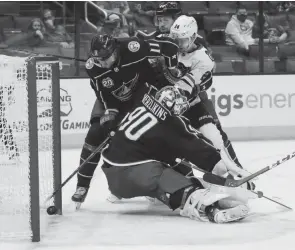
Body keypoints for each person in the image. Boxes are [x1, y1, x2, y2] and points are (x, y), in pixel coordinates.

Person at [101, 85, 256, 223]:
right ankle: (211, 211)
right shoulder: (170, 123)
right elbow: (197, 147)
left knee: (174, 176)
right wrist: (225, 167)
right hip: (134, 172)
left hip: (113, 175)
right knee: (178, 184)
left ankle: (216, 200)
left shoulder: (143, 103)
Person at [71, 34, 179, 208]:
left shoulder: (133, 47)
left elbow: (168, 46)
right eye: (98, 59)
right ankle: (82, 186)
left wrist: (173, 70)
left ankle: (169, 179)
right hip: (114, 101)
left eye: (105, 58)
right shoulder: (93, 67)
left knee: (152, 133)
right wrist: (111, 116)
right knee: (96, 133)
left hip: (144, 96)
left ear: (115, 50)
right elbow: (104, 97)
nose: (102, 63)